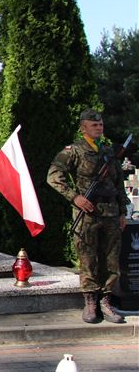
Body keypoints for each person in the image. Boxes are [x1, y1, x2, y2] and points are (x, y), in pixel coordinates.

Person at [47, 109, 128, 324]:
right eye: (94, 125)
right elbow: (53, 177)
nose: (99, 127)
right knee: (88, 258)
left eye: (101, 124)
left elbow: (118, 183)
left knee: (111, 260)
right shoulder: (73, 151)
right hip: (88, 214)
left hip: (111, 213)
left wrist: (122, 211)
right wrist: (75, 197)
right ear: (83, 128)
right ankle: (90, 302)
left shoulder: (108, 152)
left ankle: (106, 301)